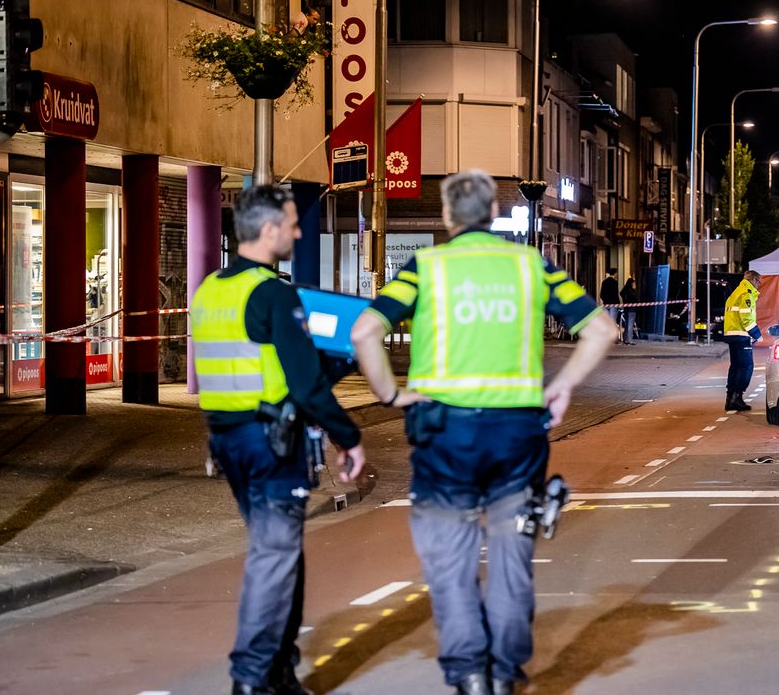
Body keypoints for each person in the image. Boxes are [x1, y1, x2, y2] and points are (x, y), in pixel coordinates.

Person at [351, 170, 617, 695]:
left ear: (449, 216)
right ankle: (505, 672)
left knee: (449, 555)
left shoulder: (425, 268)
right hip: (517, 434)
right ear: (494, 214)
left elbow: (364, 330)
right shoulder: (530, 266)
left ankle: (469, 671)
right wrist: (561, 387)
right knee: (511, 551)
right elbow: (601, 328)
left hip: (445, 434)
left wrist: (391, 394)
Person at [191, 185, 366, 695]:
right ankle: (252, 678)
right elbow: (305, 382)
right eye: (291, 223)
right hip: (272, 444)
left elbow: (255, 368)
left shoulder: (210, 291)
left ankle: (280, 671)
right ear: (268, 230)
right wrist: (348, 437)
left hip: (228, 442)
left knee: (282, 553)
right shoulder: (273, 293)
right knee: (274, 555)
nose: (297, 231)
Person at [722, 270, 763, 411]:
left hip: (732, 335)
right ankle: (737, 398)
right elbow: (746, 318)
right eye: (759, 281)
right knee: (746, 367)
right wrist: (757, 334)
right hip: (741, 335)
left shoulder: (736, 292)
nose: (760, 285)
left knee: (735, 367)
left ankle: (730, 399)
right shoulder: (747, 294)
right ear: (754, 280)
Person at [598, 267, 621, 339]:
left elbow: (601, 294)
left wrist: (606, 301)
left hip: (606, 304)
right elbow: (615, 294)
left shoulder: (604, 282)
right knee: (612, 322)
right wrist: (618, 303)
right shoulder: (614, 282)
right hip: (613, 305)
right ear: (615, 273)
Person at [619, 277, 639, 345]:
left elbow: (621, 293)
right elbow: (635, 299)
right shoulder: (631, 291)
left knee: (627, 324)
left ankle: (626, 339)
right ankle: (629, 340)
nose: (634, 284)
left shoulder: (625, 290)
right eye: (633, 283)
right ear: (631, 284)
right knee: (630, 324)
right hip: (632, 309)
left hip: (626, 308)